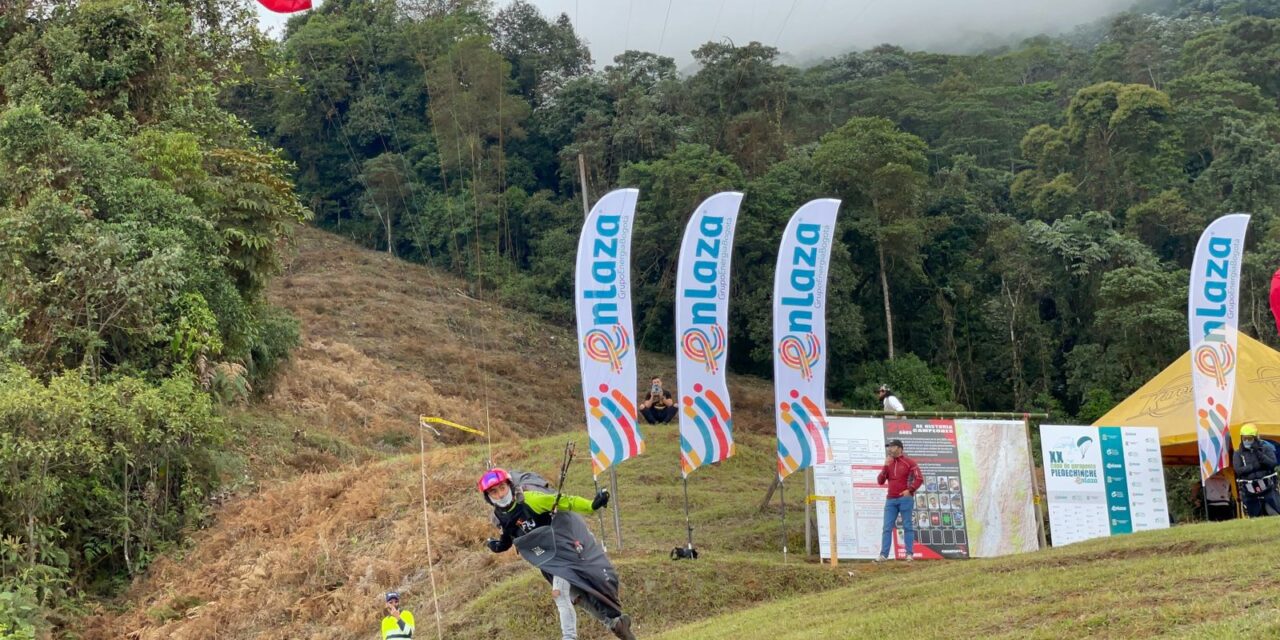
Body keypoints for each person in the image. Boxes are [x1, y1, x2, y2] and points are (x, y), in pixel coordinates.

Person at [479, 468, 636, 640]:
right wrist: (499, 546)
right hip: (547, 560)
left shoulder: (531, 500)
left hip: (565, 550)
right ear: (488, 497)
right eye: (494, 492)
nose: (500, 495)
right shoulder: (499, 516)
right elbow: (509, 535)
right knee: (576, 596)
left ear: (509, 486)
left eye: (502, 488)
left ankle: (569, 637)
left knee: (560, 593)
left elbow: (566, 502)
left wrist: (591, 505)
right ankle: (615, 624)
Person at [875, 438, 922, 562]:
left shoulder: (909, 462)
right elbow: (880, 481)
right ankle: (883, 555)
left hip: (905, 499)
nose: (889, 449)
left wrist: (910, 490)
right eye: (888, 447)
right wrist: (885, 466)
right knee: (886, 527)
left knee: (907, 526)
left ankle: (909, 554)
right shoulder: (888, 463)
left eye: (892, 447)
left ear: (899, 448)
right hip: (890, 500)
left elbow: (919, 478)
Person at [1233, 423, 1279, 518]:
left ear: (1255, 438)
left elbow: (1273, 464)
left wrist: (1258, 452)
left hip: (1268, 486)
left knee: (1273, 511)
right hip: (1249, 489)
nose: (1246, 441)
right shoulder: (1238, 453)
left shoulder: (1265, 448)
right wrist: (1255, 466)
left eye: (1249, 438)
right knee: (1255, 514)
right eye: (1244, 438)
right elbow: (1238, 470)